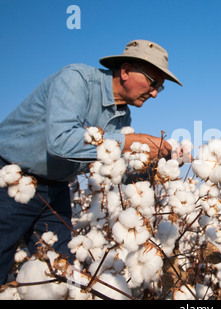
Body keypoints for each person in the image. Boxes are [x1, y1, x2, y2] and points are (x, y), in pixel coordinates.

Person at [0, 39, 182, 285]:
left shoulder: (122, 116)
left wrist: (155, 168)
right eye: (152, 82)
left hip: (55, 190)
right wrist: (130, 142)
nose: (154, 93)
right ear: (126, 70)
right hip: (9, 177)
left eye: (160, 87)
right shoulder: (76, 81)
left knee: (58, 276)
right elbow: (60, 142)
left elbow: (108, 170)